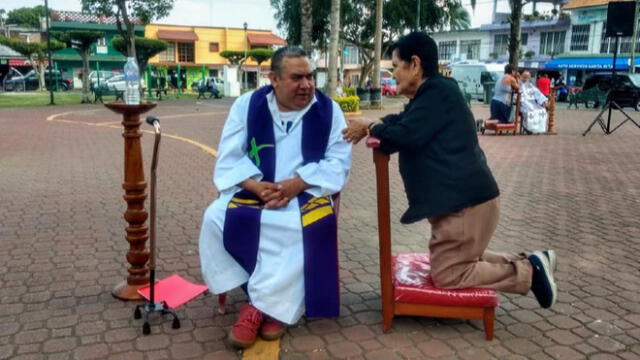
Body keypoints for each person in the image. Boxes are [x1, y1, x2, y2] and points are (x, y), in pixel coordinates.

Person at [342, 32, 558, 312]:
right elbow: (402, 121)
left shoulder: (438, 92)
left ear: (415, 64)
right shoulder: (432, 94)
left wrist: (371, 128)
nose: (392, 73)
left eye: (395, 66)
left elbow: (404, 135)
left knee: (449, 274)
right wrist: (377, 122)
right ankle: (533, 261)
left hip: (465, 207)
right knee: (459, 260)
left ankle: (529, 272)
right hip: (464, 205)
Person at [198, 46, 352, 349]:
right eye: (297, 78)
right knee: (215, 217)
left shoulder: (330, 111)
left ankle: (257, 307)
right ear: (273, 79)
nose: (307, 85)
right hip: (257, 190)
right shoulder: (247, 106)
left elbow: (338, 162)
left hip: (307, 192)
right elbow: (229, 157)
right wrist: (257, 186)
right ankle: (274, 304)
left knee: (300, 227)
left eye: (310, 76)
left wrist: (298, 183)